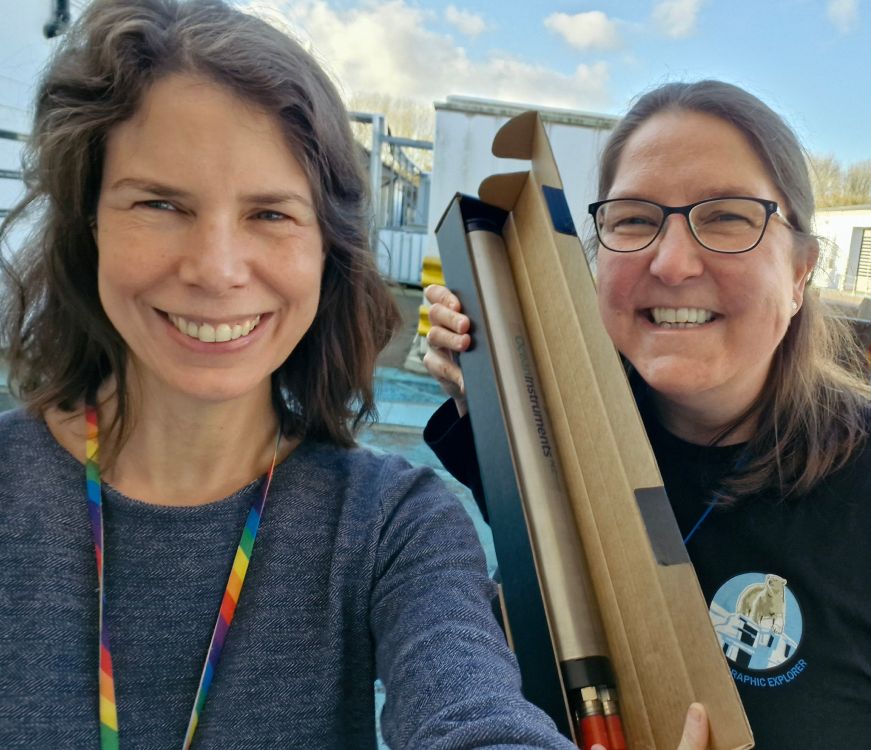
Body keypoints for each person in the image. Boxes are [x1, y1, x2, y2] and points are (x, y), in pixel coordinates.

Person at [0, 1, 581, 748]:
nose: (215, 270)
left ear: (326, 249)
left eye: (270, 214)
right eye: (160, 203)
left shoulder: (392, 527)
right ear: (92, 225)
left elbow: (473, 713)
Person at [423, 80, 871, 749]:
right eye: (634, 219)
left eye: (727, 217)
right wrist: (492, 410)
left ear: (800, 271)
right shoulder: (570, 431)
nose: (671, 263)